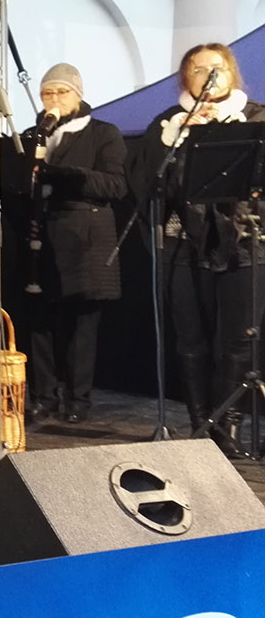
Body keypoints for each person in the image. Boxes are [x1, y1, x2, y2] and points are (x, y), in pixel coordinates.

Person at [140, 43, 265, 457]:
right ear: (185, 78)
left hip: (244, 242)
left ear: (232, 72)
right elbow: (151, 186)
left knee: (238, 340)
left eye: (217, 67)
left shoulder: (256, 117)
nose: (209, 76)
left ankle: (227, 426)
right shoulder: (168, 124)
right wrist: (179, 139)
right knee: (191, 339)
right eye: (198, 69)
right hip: (183, 242)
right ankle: (199, 423)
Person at [21, 64, 126, 424]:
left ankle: (78, 399)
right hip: (42, 238)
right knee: (40, 322)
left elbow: (116, 185)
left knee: (82, 324)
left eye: (61, 92)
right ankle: (43, 396)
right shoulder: (34, 136)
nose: (54, 99)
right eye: (47, 93)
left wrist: (66, 177)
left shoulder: (102, 133)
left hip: (86, 240)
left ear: (78, 96)